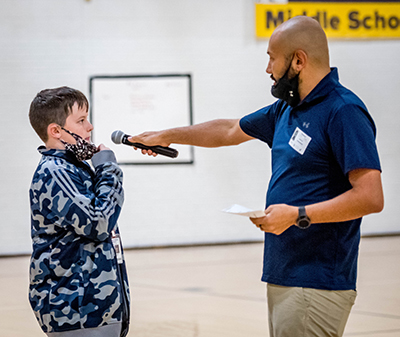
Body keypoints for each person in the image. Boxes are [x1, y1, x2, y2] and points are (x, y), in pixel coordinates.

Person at [127, 16, 384, 337]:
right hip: (285, 271)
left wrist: (297, 215)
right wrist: (166, 135)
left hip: (317, 278)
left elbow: (370, 197)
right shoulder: (288, 109)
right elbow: (230, 129)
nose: (268, 69)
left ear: (299, 60)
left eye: (272, 58)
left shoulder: (343, 111)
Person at [28, 87, 130, 337]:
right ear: (55, 131)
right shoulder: (55, 171)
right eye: (82, 121)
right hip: (76, 309)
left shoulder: (75, 169)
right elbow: (99, 223)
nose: (90, 127)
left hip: (94, 308)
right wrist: (108, 170)